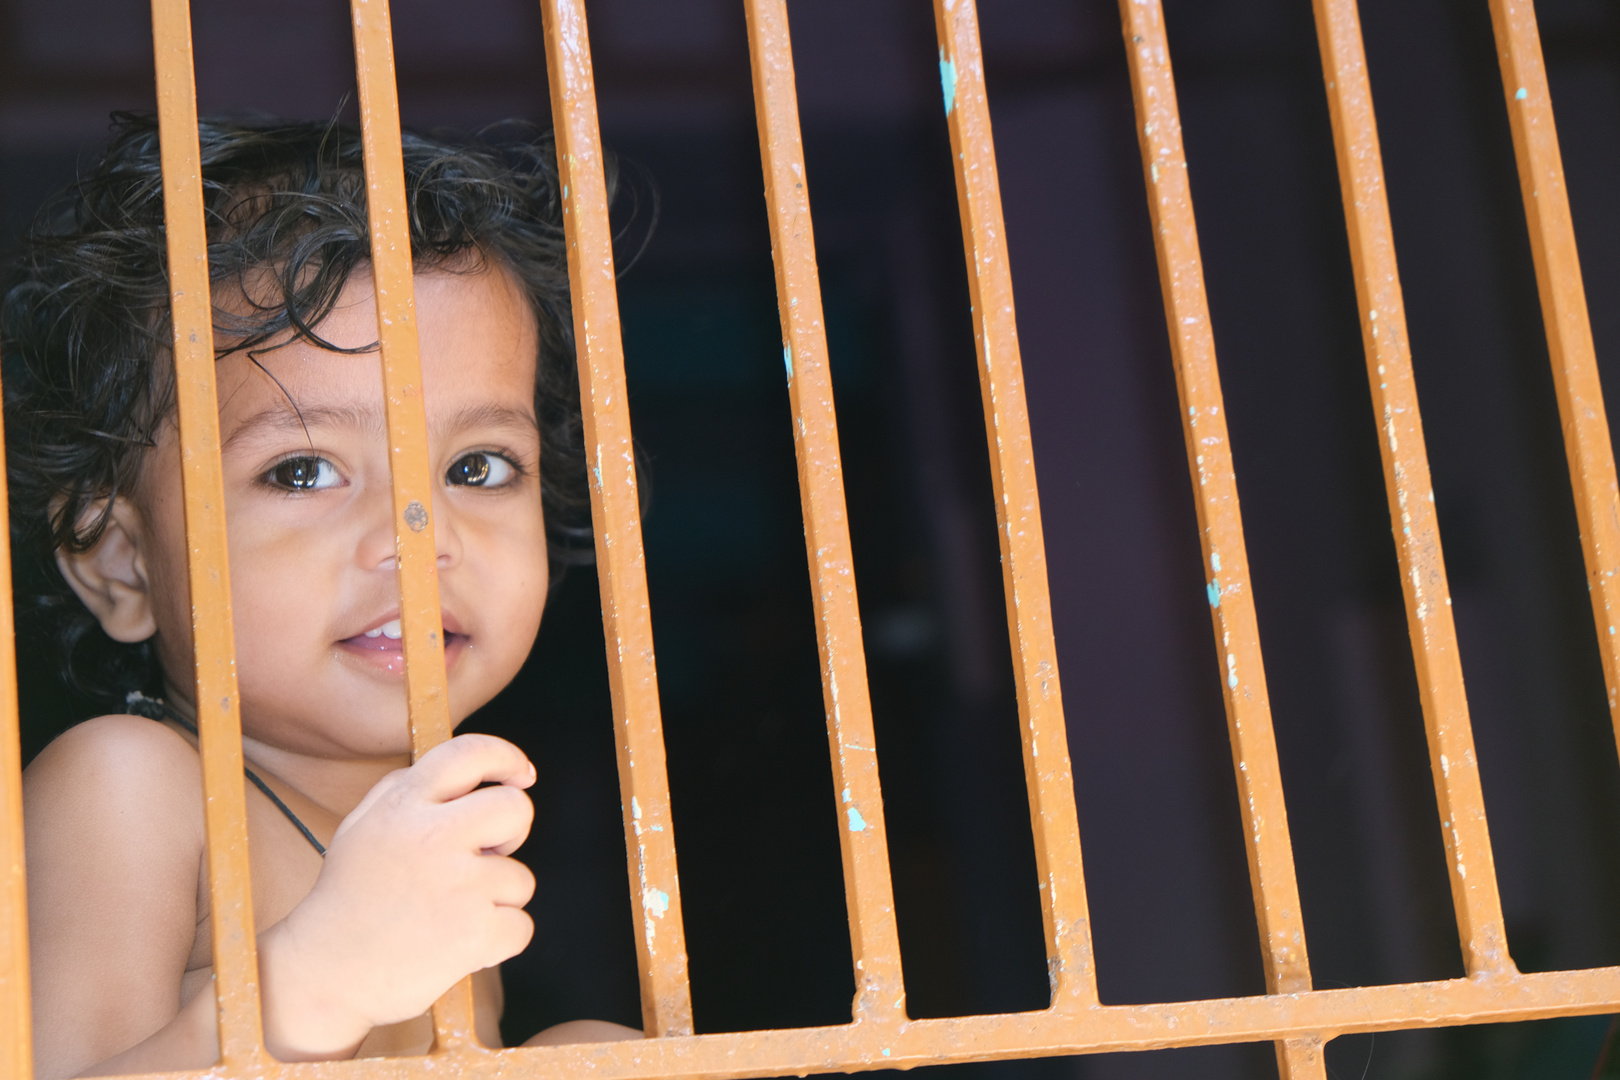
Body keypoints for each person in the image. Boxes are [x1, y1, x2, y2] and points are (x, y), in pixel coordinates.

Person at [5, 114, 638, 1076]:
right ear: (121, 563)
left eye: (477, 464)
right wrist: (317, 984)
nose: (417, 537)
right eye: (302, 472)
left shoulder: (440, 850)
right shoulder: (131, 788)